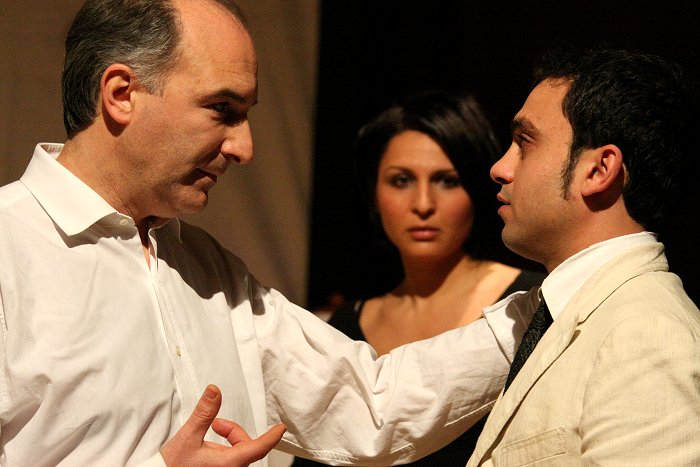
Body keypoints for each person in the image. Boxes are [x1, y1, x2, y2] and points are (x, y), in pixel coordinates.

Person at [0, 1, 536, 465]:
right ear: (121, 94)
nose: (244, 148)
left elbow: (370, 404)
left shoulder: (204, 267)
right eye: (223, 109)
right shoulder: (10, 248)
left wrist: (554, 300)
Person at [466, 48, 700, 466]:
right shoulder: (571, 312)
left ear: (598, 170)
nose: (500, 168)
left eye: (524, 143)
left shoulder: (645, 332)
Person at [294, 91, 544, 467]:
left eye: (446, 180)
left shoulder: (531, 303)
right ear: (373, 194)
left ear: (475, 189)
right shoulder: (346, 325)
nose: (423, 204)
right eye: (401, 181)